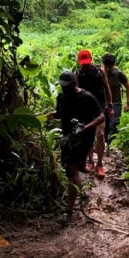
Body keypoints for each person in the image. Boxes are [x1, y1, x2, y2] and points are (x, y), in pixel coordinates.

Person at [55, 70, 105, 217]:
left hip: (83, 138)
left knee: (72, 170)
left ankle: (69, 210)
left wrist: (86, 127)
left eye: (67, 86)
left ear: (75, 83)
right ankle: (81, 193)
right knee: (70, 168)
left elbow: (101, 116)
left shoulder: (86, 97)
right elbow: (59, 114)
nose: (64, 88)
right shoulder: (62, 98)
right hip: (68, 137)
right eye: (62, 86)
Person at [75, 49, 112, 178]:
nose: (85, 65)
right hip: (85, 109)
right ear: (79, 62)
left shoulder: (99, 72)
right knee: (88, 136)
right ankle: (90, 160)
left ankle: (100, 163)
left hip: (100, 107)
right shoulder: (78, 74)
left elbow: (107, 89)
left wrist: (110, 106)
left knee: (100, 135)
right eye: (83, 62)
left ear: (90, 60)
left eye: (87, 62)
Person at [101, 53, 129, 146]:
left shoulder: (118, 74)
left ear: (113, 65)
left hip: (116, 103)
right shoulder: (99, 74)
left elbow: (128, 87)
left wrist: (128, 103)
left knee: (114, 124)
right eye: (105, 67)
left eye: (109, 67)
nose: (107, 69)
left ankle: (110, 146)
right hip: (102, 103)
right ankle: (105, 146)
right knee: (104, 126)